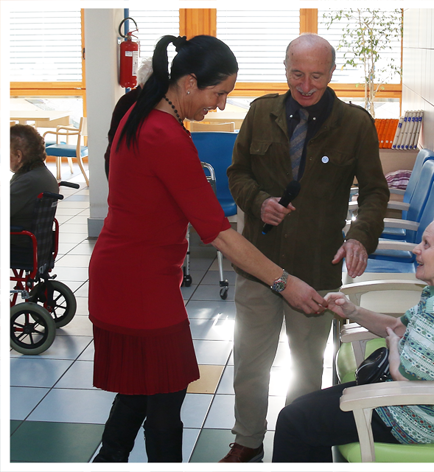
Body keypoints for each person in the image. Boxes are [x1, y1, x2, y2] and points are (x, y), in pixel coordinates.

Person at [88, 34, 326, 463]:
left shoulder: (137, 112)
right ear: (189, 82)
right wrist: (284, 282)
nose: (219, 104)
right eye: (218, 93)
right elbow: (218, 233)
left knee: (140, 393)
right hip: (139, 285)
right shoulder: (164, 135)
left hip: (126, 274)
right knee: (163, 401)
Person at [220, 33, 390, 462]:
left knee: (307, 365)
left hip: (316, 267)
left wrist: (360, 235)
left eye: (317, 75)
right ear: (285, 69)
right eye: (298, 74)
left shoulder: (354, 124)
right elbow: (237, 173)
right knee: (250, 363)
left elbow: (374, 190)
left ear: (332, 73)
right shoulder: (261, 113)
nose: (307, 85)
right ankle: (247, 441)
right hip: (258, 264)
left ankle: (298, 442)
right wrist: (259, 203)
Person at [272, 211, 434, 462]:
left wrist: (393, 348)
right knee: (301, 412)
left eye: (426, 244)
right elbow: (397, 327)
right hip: (414, 404)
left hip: (415, 419)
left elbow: (405, 373)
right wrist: (352, 311)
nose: (415, 249)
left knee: (293, 421)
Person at [10, 124, 59, 267]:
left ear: (18, 156)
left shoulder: (28, 181)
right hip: (35, 241)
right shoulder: (42, 175)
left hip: (18, 242)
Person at [104, 57, 153, 179]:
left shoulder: (156, 101)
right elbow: (115, 136)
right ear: (142, 84)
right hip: (122, 162)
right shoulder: (129, 102)